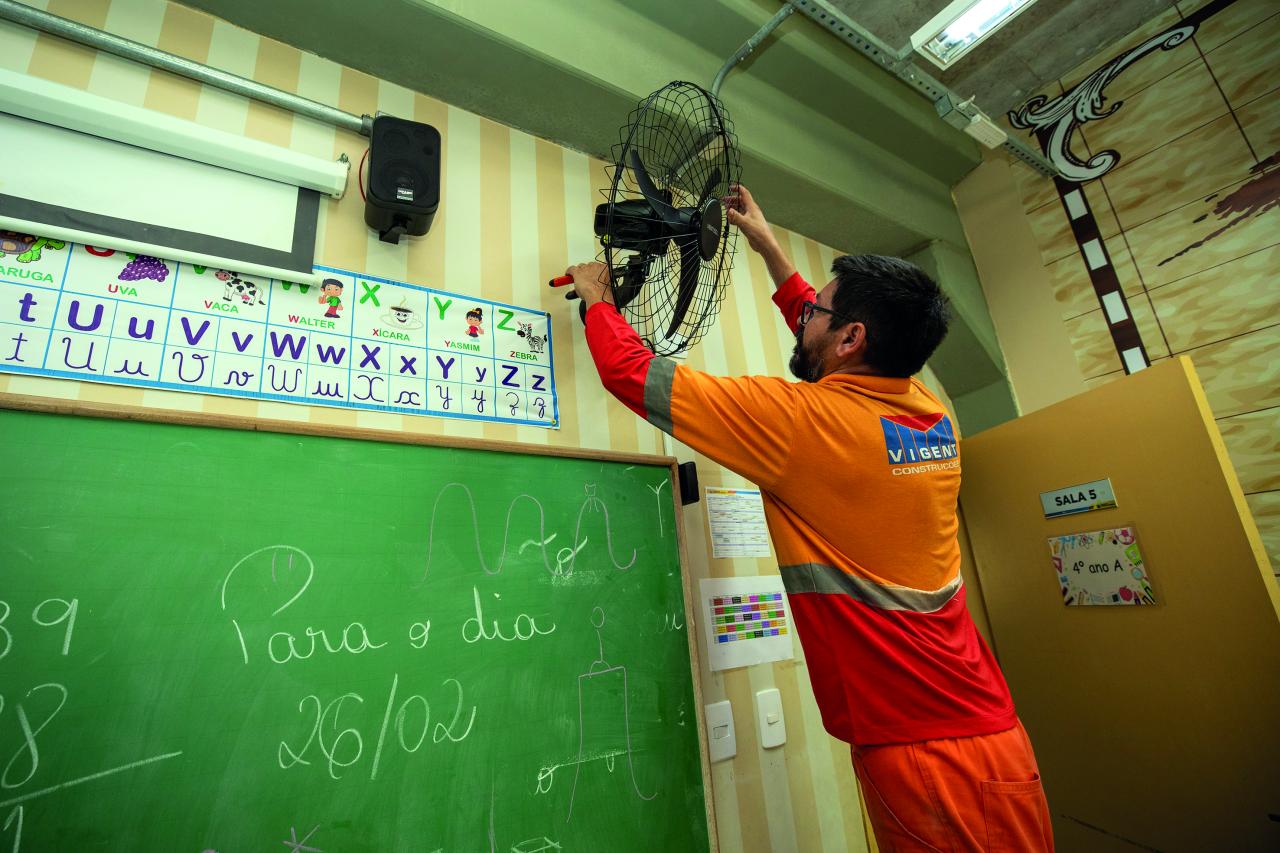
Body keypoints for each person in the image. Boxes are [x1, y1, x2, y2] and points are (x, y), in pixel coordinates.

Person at [562, 184, 1053, 852]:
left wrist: (597, 298)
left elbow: (633, 374)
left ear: (851, 337)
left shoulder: (804, 424)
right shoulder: (928, 413)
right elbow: (831, 341)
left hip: (925, 757)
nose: (804, 318)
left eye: (818, 312)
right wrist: (768, 248)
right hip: (995, 737)